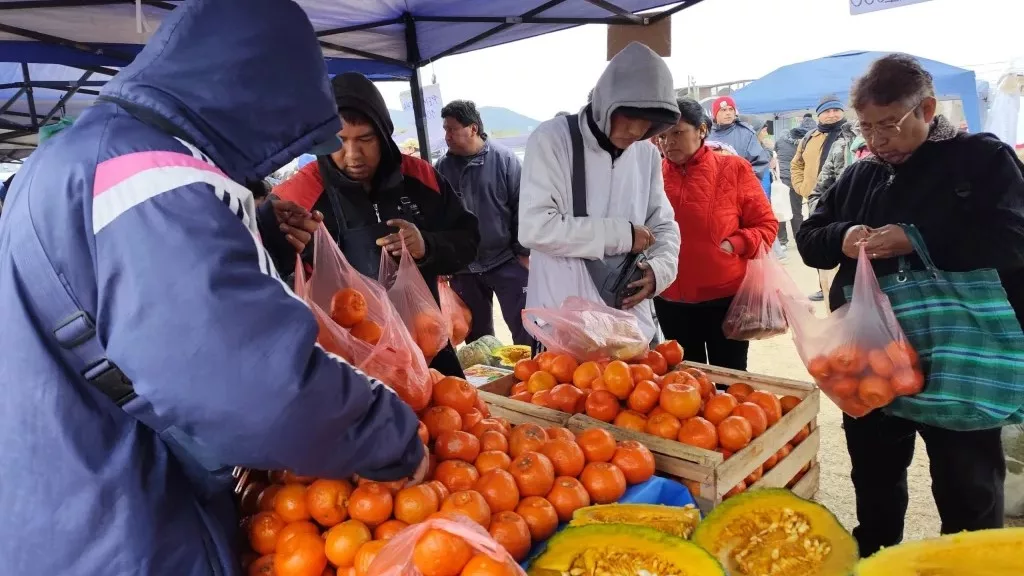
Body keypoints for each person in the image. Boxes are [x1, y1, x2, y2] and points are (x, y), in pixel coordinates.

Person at [0, 1, 428, 574]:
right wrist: (387, 432)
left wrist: (256, 236)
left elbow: (123, 301)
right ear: (256, 98)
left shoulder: (78, 155)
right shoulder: (151, 180)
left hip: (58, 504)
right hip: (121, 528)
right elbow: (252, 385)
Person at [796, 53, 1024, 557]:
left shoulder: (982, 159)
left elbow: (1013, 237)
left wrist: (916, 239)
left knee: (968, 486)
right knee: (874, 476)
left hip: (959, 355)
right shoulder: (862, 175)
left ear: (926, 109)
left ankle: (968, 563)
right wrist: (844, 236)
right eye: (866, 127)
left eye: (889, 124)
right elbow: (810, 237)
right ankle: (877, 556)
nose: (877, 140)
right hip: (873, 355)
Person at [274, 73, 480, 378]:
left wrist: (427, 246)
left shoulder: (420, 178)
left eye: (366, 139)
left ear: (384, 134)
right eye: (340, 141)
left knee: (453, 406)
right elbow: (261, 277)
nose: (353, 155)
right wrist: (291, 258)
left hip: (428, 348)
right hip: (349, 364)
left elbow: (469, 239)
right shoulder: (298, 195)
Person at [519, 41, 681, 343]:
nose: (636, 130)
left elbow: (663, 224)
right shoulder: (552, 139)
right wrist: (623, 235)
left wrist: (660, 270)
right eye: (629, 116)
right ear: (606, 103)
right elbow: (535, 228)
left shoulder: (646, 154)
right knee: (560, 378)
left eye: (648, 121)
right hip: (564, 323)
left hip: (629, 325)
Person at [656, 98, 778, 369]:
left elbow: (766, 225)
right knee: (685, 379)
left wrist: (734, 244)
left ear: (701, 130)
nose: (668, 142)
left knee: (730, 378)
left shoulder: (734, 169)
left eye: (678, 133)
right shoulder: (652, 176)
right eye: (662, 136)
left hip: (725, 300)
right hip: (670, 299)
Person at [436, 100, 531, 345]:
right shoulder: (442, 168)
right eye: (445, 129)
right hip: (465, 268)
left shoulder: (505, 160)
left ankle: (531, 369)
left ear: (473, 128)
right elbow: (438, 218)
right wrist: (443, 259)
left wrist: (522, 252)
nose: (446, 136)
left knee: (526, 330)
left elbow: (522, 207)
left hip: (505, 260)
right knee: (479, 342)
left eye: (452, 129)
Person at [791, 94, 851, 301]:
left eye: (836, 110)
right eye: (827, 111)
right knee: (820, 242)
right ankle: (823, 286)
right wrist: (802, 187)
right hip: (816, 200)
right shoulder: (810, 137)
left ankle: (845, 287)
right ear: (819, 115)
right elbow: (796, 163)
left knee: (845, 240)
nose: (832, 115)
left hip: (844, 201)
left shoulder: (850, 134)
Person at [775, 113, 816, 245]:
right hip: (796, 180)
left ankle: (782, 240)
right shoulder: (806, 143)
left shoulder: (780, 141)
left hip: (781, 179)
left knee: (780, 210)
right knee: (796, 210)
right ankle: (799, 238)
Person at [709, 96, 771, 180]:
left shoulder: (746, 134)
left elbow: (759, 163)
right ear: (715, 114)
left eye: (731, 109)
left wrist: (745, 182)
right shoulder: (704, 134)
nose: (728, 113)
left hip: (738, 185)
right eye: (724, 110)